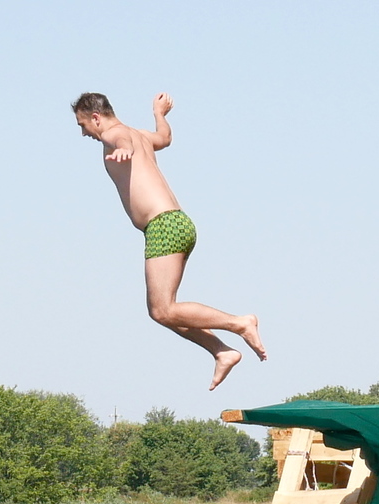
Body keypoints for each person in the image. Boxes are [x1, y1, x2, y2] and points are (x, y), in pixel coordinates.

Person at [71, 91, 267, 390]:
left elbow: (120, 140)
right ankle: (221, 351)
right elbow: (164, 138)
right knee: (162, 310)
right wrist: (159, 114)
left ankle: (239, 323)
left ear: (95, 117)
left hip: (163, 226)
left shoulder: (115, 133)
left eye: (83, 125)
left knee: (163, 310)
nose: (84, 132)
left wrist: (124, 150)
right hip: (177, 223)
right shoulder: (141, 135)